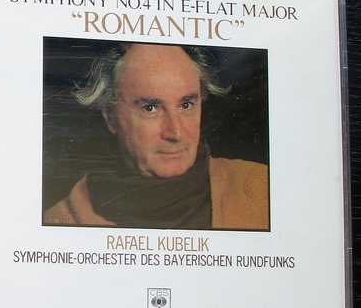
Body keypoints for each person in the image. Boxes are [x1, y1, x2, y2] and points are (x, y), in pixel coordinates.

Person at [43, 42, 269, 230]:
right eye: (150, 108)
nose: (175, 132)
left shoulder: (263, 191)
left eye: (186, 105)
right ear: (111, 118)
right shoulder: (61, 222)